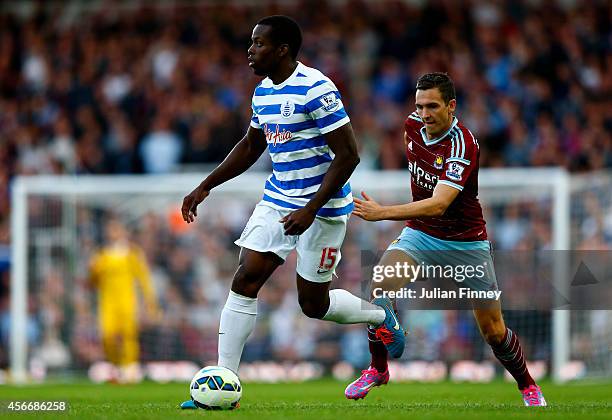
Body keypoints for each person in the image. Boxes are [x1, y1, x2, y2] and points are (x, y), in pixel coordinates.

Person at [180, 15, 405, 409]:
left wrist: (310, 209)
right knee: (246, 276)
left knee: (312, 305)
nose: (250, 50)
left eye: (259, 43)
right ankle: (221, 384)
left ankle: (377, 317)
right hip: (279, 199)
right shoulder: (263, 92)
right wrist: (206, 186)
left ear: (282, 49)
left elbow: (349, 155)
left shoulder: (317, 89)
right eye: (252, 43)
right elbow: (252, 146)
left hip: (326, 206)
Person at [344, 73, 547, 407]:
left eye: (433, 106)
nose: (425, 113)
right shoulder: (411, 126)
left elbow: (439, 204)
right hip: (421, 234)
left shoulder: (462, 144)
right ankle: (377, 369)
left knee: (494, 332)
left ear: (451, 106)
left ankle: (527, 385)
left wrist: (382, 213)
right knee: (378, 287)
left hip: (467, 244)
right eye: (420, 106)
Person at [89, 218, 159, 383]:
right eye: (109, 230)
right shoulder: (101, 256)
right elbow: (93, 282)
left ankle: (129, 369)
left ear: (122, 232)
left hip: (127, 302)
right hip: (107, 303)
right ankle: (115, 366)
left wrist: (150, 303)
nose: (112, 233)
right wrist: (92, 269)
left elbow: (144, 280)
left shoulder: (132, 254)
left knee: (128, 336)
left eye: (115, 230)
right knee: (107, 336)